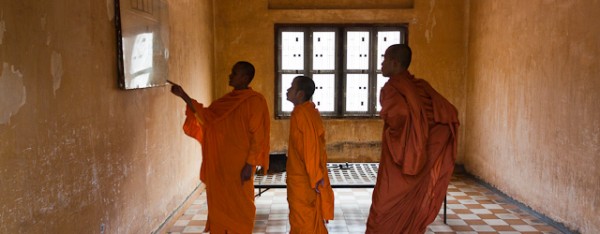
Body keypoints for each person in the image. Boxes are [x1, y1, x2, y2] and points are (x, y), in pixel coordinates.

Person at [366, 44, 459, 233]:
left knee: (384, 205)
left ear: (394, 63)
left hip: (399, 158)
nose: (381, 64)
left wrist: (399, 130)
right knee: (409, 204)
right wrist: (426, 142)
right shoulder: (420, 86)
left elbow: (399, 115)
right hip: (422, 154)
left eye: (384, 60)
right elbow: (448, 112)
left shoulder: (392, 88)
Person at [170, 61, 270, 234]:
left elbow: (258, 137)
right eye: (232, 72)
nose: (230, 75)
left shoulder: (255, 101)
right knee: (220, 202)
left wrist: (249, 164)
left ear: (245, 78)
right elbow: (207, 118)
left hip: (240, 165)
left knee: (241, 206)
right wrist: (184, 96)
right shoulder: (226, 101)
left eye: (235, 73)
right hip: (220, 164)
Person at [285, 76, 334, 233]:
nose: (287, 90)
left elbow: (310, 149)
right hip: (301, 176)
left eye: (291, 87)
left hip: (305, 180)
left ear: (300, 94)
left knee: (304, 221)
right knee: (305, 219)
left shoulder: (303, 114)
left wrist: (316, 177)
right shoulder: (307, 112)